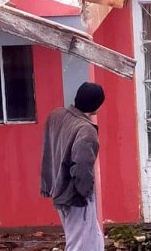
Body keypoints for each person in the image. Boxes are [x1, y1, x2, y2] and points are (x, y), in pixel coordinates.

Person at [41, 82, 106, 251]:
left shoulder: (56, 116)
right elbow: (82, 166)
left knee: (94, 240)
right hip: (75, 195)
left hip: (58, 188)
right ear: (96, 105)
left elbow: (51, 147)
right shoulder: (86, 130)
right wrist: (85, 193)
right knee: (80, 244)